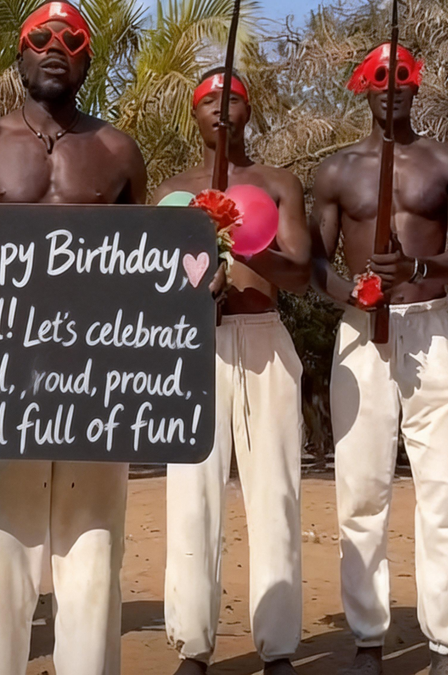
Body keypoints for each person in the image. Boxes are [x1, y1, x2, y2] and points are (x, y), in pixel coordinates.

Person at [0, 0, 147, 675]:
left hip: (97, 379)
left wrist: (190, 289)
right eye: (41, 37)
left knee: (93, 552)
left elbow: (145, 269)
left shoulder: (119, 152)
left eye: (71, 39)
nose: (56, 47)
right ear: (20, 56)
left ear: (88, 60)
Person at [308, 45, 448, 675]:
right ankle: (367, 641)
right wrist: (349, 293)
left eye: (403, 75)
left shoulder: (445, 162)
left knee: (445, 491)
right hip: (363, 335)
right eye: (380, 77)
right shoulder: (337, 171)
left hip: (432, 327)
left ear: (416, 84)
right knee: (361, 491)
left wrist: (416, 267)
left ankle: (444, 645)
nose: (392, 86)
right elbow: (315, 261)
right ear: (363, 86)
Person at [157, 69, 311, 675]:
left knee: (274, 493)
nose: (221, 109)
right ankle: (192, 646)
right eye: (209, 100)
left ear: (250, 110)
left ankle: (278, 647)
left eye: (234, 99)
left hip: (262, 338)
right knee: (191, 497)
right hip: (192, 347)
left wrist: (243, 242)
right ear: (194, 114)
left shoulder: (277, 184)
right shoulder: (172, 191)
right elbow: (150, 282)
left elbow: (299, 274)